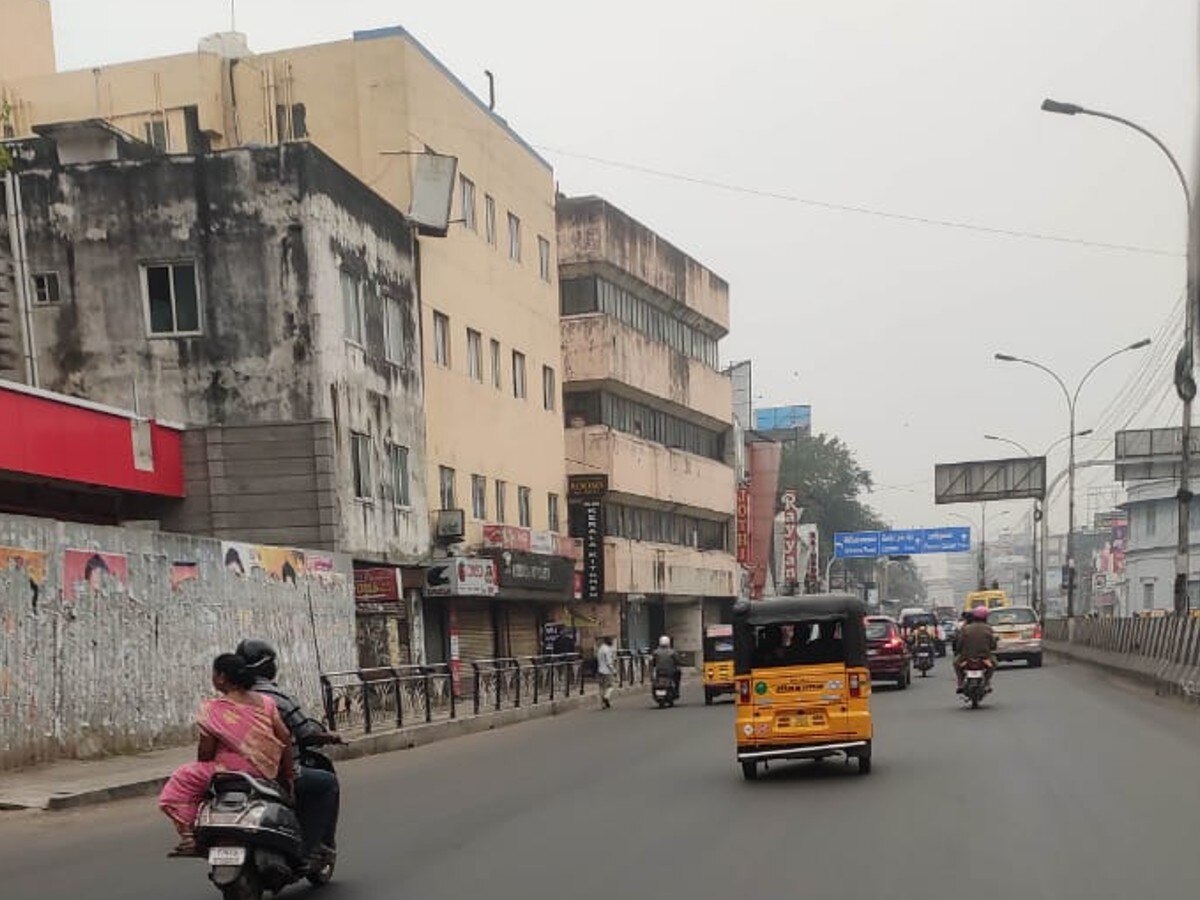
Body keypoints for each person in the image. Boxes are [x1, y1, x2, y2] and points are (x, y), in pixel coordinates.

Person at [159, 653, 293, 856]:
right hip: (266, 771)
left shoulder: (213, 709)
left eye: (213, 674)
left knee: (181, 780)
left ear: (221, 677)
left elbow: (205, 753)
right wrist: (288, 776)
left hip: (226, 771)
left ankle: (189, 837)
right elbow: (284, 739)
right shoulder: (266, 703)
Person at [236, 639, 343, 866]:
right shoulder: (277, 699)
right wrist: (332, 737)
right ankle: (312, 848)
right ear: (268, 667)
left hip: (235, 773)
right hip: (275, 773)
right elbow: (304, 733)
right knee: (327, 783)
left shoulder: (227, 701)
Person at [954, 606, 997, 693]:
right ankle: (987, 682)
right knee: (994, 664)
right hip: (984, 657)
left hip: (966, 657)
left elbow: (959, 644)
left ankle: (960, 683)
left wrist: (958, 651)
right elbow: (993, 645)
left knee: (956, 664)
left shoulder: (965, 628)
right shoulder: (988, 628)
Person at [596, 636, 618, 709]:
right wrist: (614, 671)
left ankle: (603, 704)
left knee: (602, 687)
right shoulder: (608, 650)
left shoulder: (600, 649)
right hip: (607, 671)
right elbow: (609, 663)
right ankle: (606, 697)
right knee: (610, 686)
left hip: (600, 670)